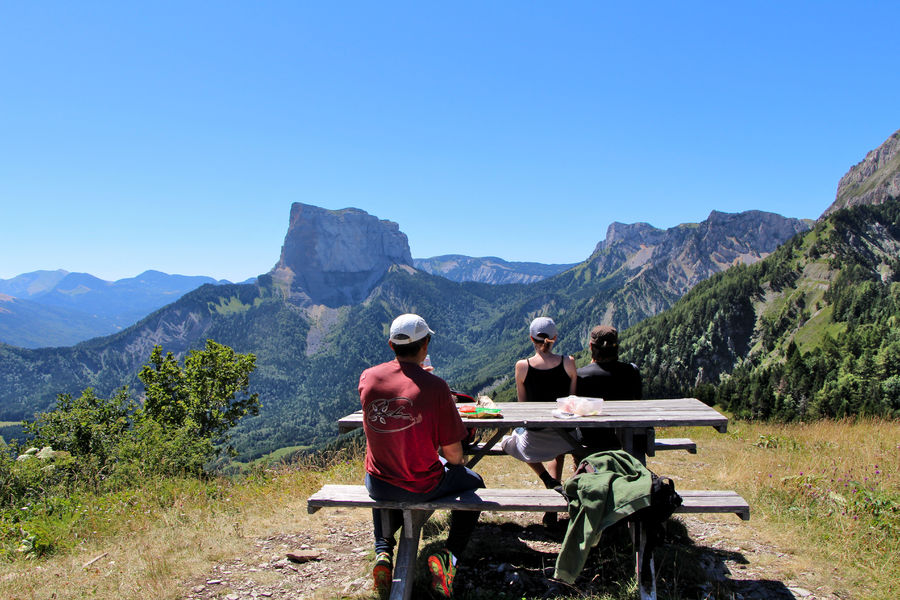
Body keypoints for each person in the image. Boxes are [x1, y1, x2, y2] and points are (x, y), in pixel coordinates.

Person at [359, 313, 484, 599]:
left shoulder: (368, 377)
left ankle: (383, 552)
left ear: (391, 345)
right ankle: (449, 558)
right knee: (475, 484)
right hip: (421, 485)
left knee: (381, 469)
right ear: (425, 345)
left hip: (378, 485)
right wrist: (456, 463)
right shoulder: (436, 387)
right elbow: (454, 455)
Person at [501, 316, 577, 524]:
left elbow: (523, 407)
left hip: (534, 440)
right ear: (555, 338)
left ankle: (547, 479)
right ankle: (554, 488)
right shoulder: (569, 362)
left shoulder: (522, 366)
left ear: (531, 338)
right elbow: (571, 402)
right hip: (566, 438)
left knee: (508, 441)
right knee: (558, 441)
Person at [575, 324, 643, 451]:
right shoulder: (631, 371)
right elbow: (638, 398)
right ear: (616, 347)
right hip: (626, 436)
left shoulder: (580, 375)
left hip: (591, 439)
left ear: (591, 347)